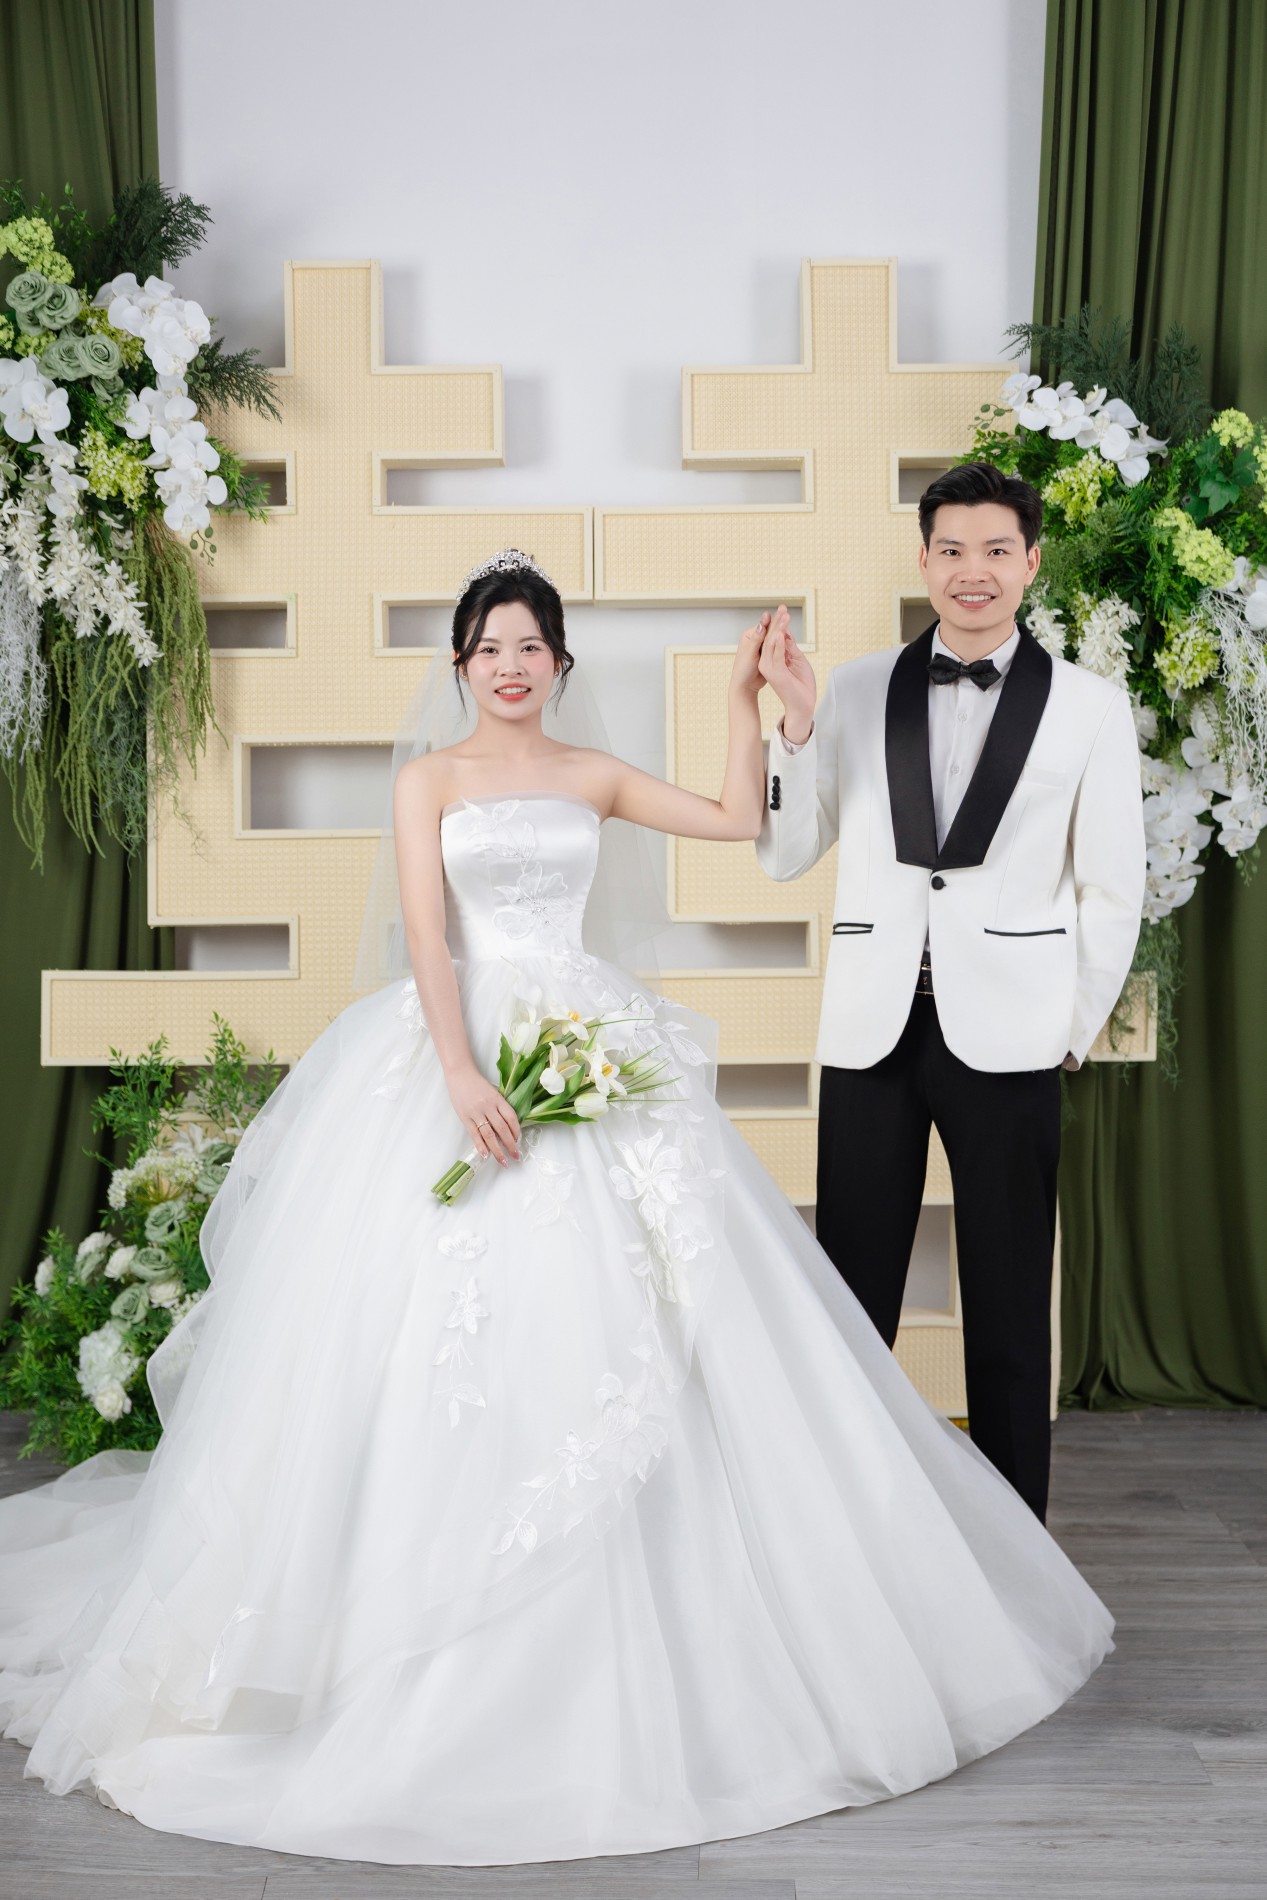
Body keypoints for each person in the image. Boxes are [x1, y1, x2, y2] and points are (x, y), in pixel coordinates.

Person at [0, 549, 1114, 1868]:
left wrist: (743, 702)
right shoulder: (427, 781)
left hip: (588, 1043)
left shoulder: (590, 773)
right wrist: (461, 1072)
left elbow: (730, 818)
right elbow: (428, 937)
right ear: (460, 666)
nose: (510, 666)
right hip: (462, 1052)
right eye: (489, 648)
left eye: (530, 646)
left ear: (559, 663)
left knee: (659, 1311)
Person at [755, 463, 1147, 1524]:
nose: (973, 571)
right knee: (850, 1303)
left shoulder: (1089, 708)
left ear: (1030, 561)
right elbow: (785, 854)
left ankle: (1019, 1551)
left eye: (996, 551)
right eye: (951, 550)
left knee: (1011, 1312)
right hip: (871, 1031)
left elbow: (1114, 890)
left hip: (1014, 1038)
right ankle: (842, 1531)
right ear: (923, 559)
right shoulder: (850, 688)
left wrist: (1068, 1031)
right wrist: (794, 727)